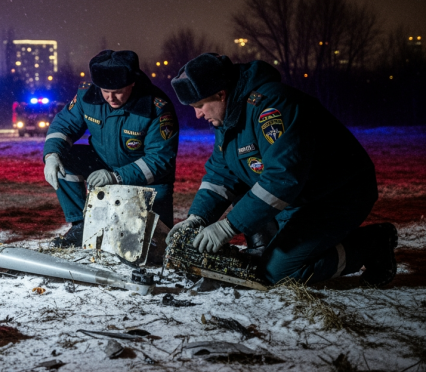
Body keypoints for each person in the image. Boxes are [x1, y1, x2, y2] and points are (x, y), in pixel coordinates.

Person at [167, 53, 397, 286]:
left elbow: (282, 178)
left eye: (199, 105)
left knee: (279, 273)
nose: (197, 114)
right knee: (266, 262)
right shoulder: (229, 115)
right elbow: (221, 174)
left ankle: (373, 244)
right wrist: (197, 217)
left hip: (338, 195)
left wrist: (228, 226)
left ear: (220, 94)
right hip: (301, 197)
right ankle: (284, 249)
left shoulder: (272, 107)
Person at [43, 50, 179, 248]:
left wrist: (116, 177)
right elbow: (63, 126)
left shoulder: (157, 107)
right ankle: (81, 226)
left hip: (148, 181)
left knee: (147, 248)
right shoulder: (87, 96)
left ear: (132, 83)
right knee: (63, 161)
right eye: (105, 91)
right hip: (102, 162)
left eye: (117, 91)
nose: (110, 98)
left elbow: (160, 160)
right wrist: (52, 154)